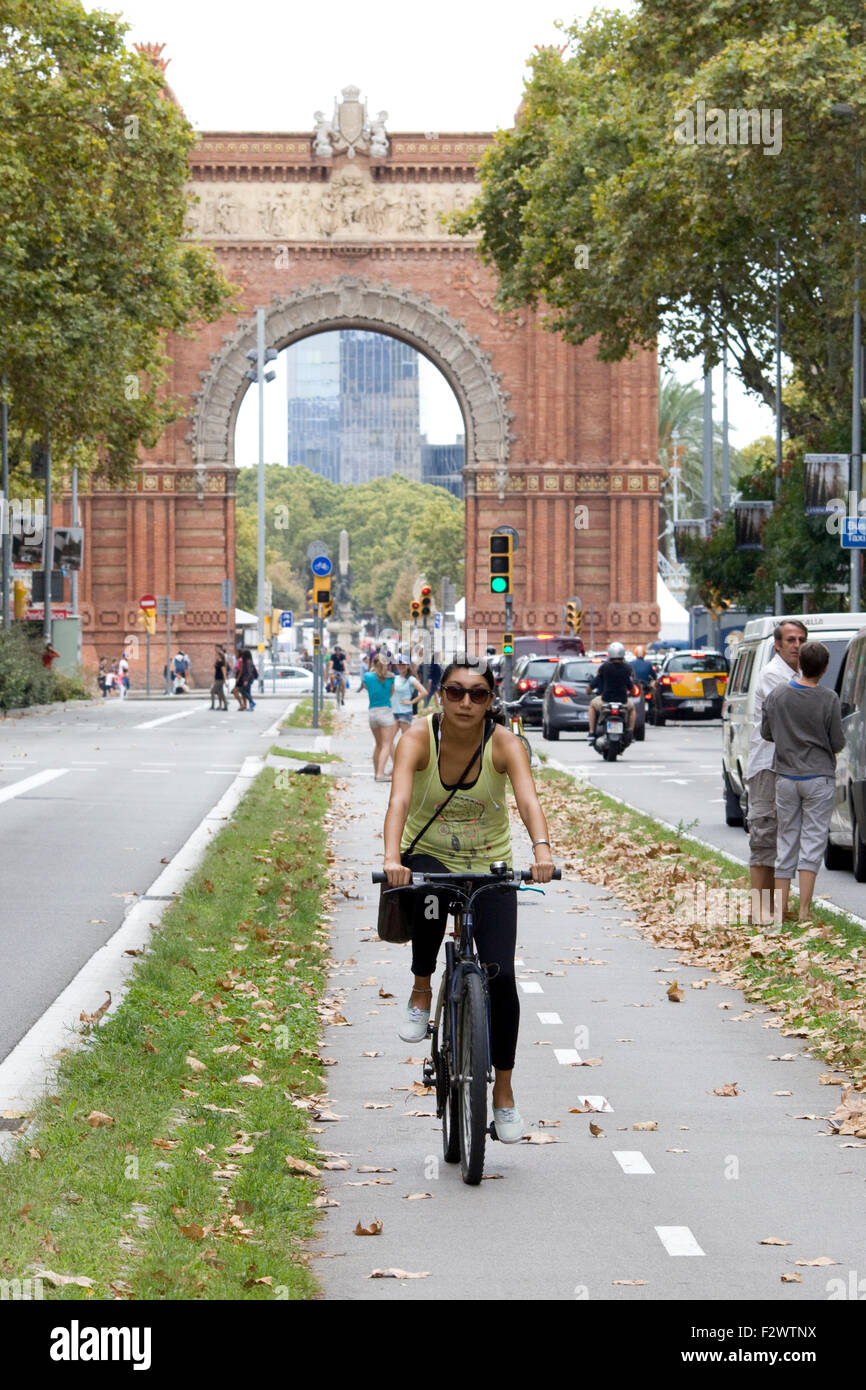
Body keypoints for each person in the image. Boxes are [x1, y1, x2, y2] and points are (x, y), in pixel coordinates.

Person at [383, 655, 555, 1143]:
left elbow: (528, 800)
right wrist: (393, 857)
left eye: (477, 694)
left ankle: (503, 1092)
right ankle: (421, 988)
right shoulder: (418, 736)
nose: (465, 702)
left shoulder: (505, 743)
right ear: (440, 696)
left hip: (490, 863)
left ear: (490, 701)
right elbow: (397, 800)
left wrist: (541, 850)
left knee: (501, 975)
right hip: (430, 856)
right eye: (455, 692)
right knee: (432, 906)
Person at [761, 640, 844, 923]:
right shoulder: (829, 699)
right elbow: (837, 741)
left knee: (787, 841)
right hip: (819, 777)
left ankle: (780, 911)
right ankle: (805, 910)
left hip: (785, 777)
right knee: (812, 841)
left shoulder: (777, 695)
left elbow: (766, 733)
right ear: (824, 668)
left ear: (799, 665)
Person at [746, 620, 807, 922]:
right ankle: (760, 912)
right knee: (764, 836)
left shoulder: (797, 674)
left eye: (802, 640)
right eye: (791, 640)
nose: (797, 645)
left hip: (789, 767)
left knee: (783, 839)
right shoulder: (773, 675)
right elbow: (794, 712)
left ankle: (776, 910)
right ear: (778, 645)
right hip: (768, 766)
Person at [587, 641, 636, 738]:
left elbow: (591, 686)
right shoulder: (627, 668)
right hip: (623, 701)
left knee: (592, 705)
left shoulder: (604, 667)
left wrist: (590, 692)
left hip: (605, 700)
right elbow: (632, 688)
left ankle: (591, 732)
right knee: (632, 709)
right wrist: (630, 694)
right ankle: (630, 732)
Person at [362, 654, 396, 780]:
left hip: (372, 712)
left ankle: (376, 772)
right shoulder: (391, 677)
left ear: (373, 663)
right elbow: (391, 693)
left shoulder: (368, 676)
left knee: (378, 744)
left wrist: (372, 670)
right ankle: (381, 774)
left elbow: (366, 688)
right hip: (385, 711)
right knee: (387, 745)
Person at [391, 655, 427, 742]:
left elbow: (424, 692)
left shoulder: (411, 679)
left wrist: (411, 702)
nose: (402, 666)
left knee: (406, 740)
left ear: (408, 666)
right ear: (396, 665)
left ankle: (405, 755)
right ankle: (394, 756)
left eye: (404, 664)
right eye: (400, 664)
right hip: (393, 712)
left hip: (405, 713)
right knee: (389, 740)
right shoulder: (394, 678)